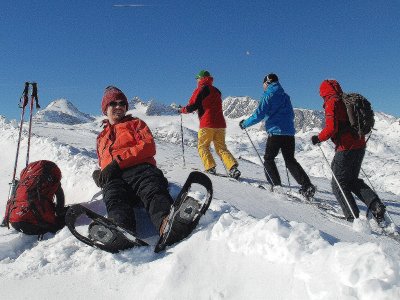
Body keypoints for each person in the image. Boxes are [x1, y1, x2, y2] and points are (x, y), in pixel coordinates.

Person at [92, 86, 193, 249]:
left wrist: (117, 162)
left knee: (152, 189)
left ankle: (166, 223)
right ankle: (121, 231)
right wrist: (100, 173)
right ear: (105, 108)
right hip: (115, 179)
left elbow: (148, 146)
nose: (118, 106)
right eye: (113, 103)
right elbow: (103, 161)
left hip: (140, 170)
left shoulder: (136, 124)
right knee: (114, 197)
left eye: (122, 103)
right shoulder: (101, 137)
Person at [311, 79, 386, 222]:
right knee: (351, 181)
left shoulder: (331, 102)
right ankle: (376, 205)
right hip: (360, 145)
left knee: (338, 184)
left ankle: (353, 217)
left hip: (346, 148)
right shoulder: (347, 99)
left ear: (323, 91)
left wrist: (318, 138)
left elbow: (331, 128)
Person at [239, 73, 315, 198]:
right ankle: (307, 186)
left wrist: (245, 124)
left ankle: (276, 185)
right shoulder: (285, 96)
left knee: (269, 159)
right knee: (290, 160)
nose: (263, 86)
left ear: (267, 82)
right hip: (289, 133)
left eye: (263, 84)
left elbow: (259, 115)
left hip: (275, 132)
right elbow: (291, 114)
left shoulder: (268, 95)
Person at [180, 70, 241, 179]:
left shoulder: (200, 89)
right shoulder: (216, 90)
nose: (196, 81)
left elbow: (193, 106)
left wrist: (182, 110)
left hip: (207, 123)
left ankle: (210, 167)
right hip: (220, 123)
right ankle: (233, 168)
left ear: (201, 78)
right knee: (221, 147)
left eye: (197, 78)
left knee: (203, 146)